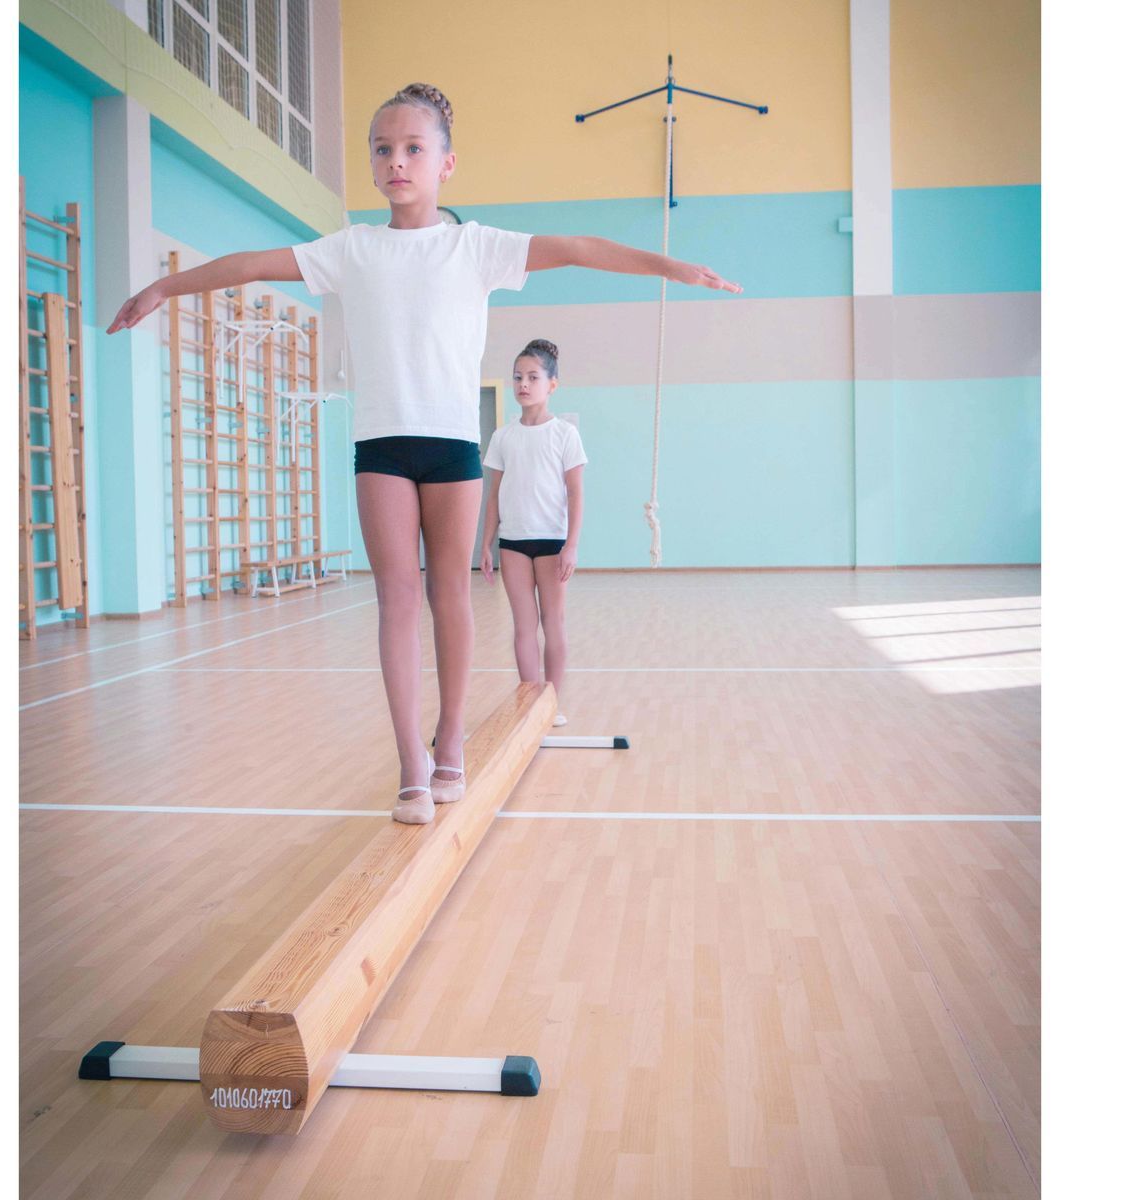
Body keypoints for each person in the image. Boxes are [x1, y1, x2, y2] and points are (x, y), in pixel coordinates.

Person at [107, 82, 742, 825]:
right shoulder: (351, 249)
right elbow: (248, 265)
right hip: (380, 445)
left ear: (447, 163)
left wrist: (672, 268)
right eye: (383, 149)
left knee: (449, 596)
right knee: (397, 600)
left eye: (413, 148)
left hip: (451, 448)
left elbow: (578, 248)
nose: (396, 161)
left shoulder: (476, 247)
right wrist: (164, 287)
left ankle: (451, 741)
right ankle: (411, 759)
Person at [481, 340, 584, 727]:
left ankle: (551, 704)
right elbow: (494, 494)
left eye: (533, 377)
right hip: (513, 543)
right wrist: (486, 544)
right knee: (524, 626)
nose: (523, 384)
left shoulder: (565, 434)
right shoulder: (503, 437)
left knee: (552, 622)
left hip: (552, 542)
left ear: (552, 384)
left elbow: (575, 493)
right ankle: (530, 702)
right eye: (518, 377)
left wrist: (571, 545)